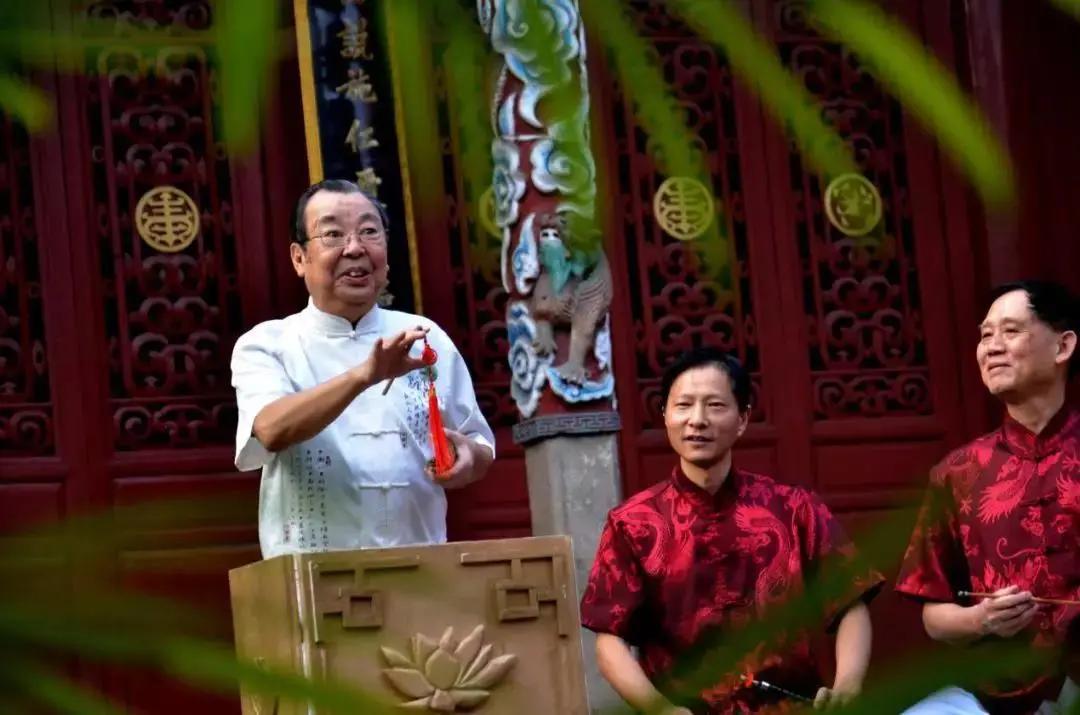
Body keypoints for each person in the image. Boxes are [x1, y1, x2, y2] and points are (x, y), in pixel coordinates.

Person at [581, 348, 881, 713]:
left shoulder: (794, 508)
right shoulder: (633, 523)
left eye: (715, 406)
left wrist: (848, 684)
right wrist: (660, 709)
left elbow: (850, 600)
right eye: (683, 405)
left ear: (742, 419)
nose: (697, 420)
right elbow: (610, 639)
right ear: (665, 416)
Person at [230, 179, 494, 559]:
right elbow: (270, 429)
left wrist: (468, 457)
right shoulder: (268, 343)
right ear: (299, 258)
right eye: (333, 234)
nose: (355, 248)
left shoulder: (425, 336)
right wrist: (364, 376)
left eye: (369, 232)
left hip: (423, 571)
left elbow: (478, 445)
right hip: (314, 576)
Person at [896, 280, 1080, 714]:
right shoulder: (957, 472)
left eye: (1010, 331)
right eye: (985, 335)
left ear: (1063, 346)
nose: (991, 348)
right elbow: (934, 616)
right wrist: (981, 620)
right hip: (993, 697)